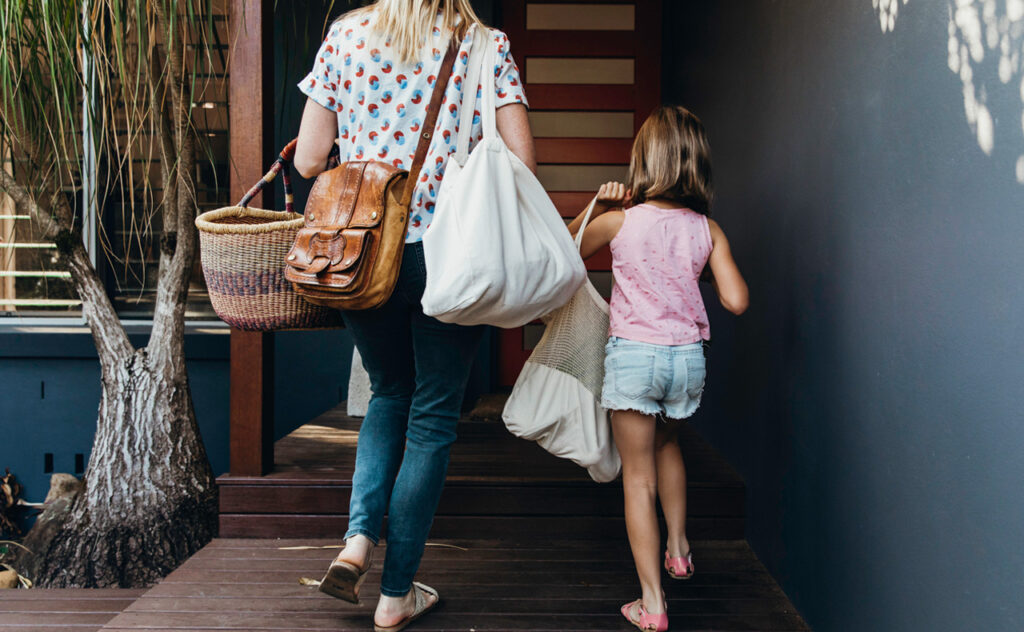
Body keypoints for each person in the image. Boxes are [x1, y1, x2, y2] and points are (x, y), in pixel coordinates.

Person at [292, 1, 533, 630]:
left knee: (388, 392)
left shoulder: (344, 36)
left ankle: (356, 541)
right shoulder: (486, 44)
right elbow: (522, 164)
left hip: (365, 250)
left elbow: (309, 159)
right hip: (452, 253)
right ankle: (396, 596)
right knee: (431, 416)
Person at [566, 105, 749, 632]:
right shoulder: (707, 229)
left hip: (634, 358)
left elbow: (560, 255)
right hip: (686, 361)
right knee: (670, 444)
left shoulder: (620, 220)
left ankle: (652, 604)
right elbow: (736, 300)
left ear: (644, 159)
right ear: (696, 163)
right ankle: (679, 548)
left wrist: (595, 204)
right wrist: (695, 271)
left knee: (638, 479)